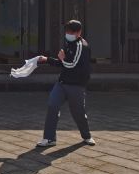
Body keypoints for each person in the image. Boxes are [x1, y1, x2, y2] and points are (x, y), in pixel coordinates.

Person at [36, 19, 95, 147]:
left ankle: (86, 136)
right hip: (62, 82)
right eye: (67, 31)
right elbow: (62, 63)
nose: (68, 34)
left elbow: (71, 64)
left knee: (78, 112)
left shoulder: (82, 46)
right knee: (52, 105)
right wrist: (46, 59)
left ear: (79, 32)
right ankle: (49, 138)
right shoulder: (68, 42)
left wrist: (62, 59)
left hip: (77, 85)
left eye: (71, 32)